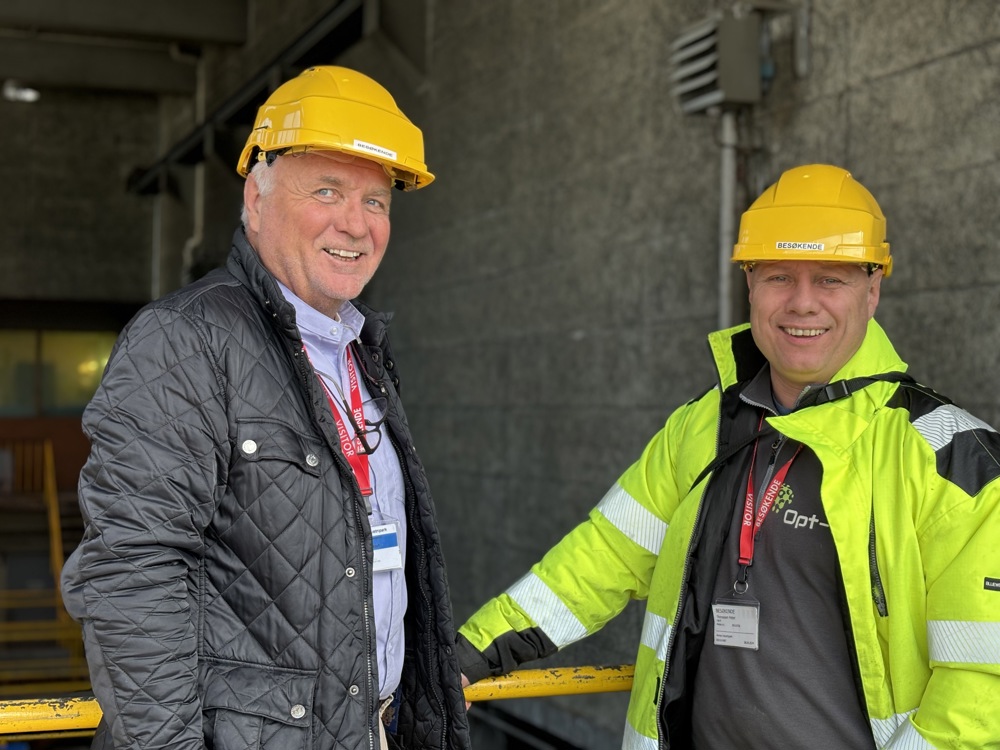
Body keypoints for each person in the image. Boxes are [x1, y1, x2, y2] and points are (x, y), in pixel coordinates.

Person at [457, 164, 1000, 749]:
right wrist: (466, 655)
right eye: (778, 277)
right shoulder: (701, 427)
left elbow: (981, 688)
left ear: (873, 289)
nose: (802, 303)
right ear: (749, 284)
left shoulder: (951, 460)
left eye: (831, 279)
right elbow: (599, 560)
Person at [61, 65, 471, 750]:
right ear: (256, 198)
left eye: (377, 202)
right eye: (328, 191)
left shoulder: (359, 354)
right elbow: (133, 575)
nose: (356, 224)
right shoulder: (186, 341)